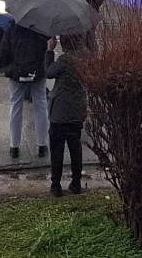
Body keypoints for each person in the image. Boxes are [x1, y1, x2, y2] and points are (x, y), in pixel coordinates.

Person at [46, 33, 88, 196]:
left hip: (60, 112)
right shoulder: (85, 58)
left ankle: (56, 185)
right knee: (75, 147)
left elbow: (49, 72)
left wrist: (49, 51)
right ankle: (76, 182)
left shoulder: (64, 60)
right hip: (77, 109)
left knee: (57, 149)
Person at [0, 22, 50, 160]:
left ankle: (14, 146)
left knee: (15, 105)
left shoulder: (11, 28)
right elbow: (45, 50)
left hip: (16, 72)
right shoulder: (41, 29)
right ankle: (42, 145)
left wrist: (10, 66)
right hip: (37, 72)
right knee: (40, 105)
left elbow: (3, 53)